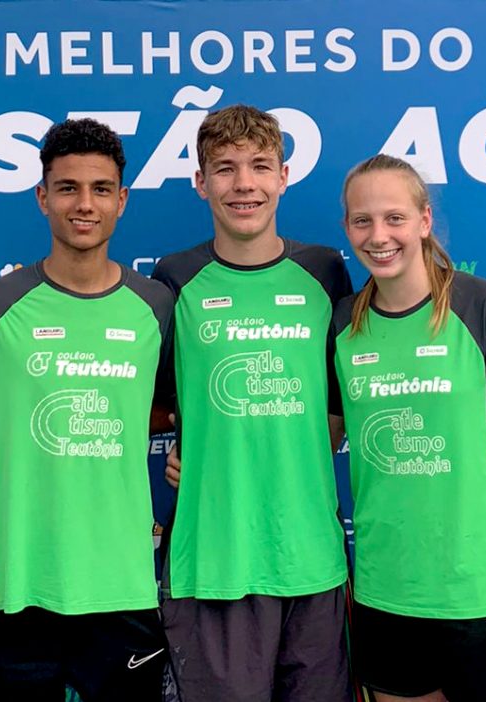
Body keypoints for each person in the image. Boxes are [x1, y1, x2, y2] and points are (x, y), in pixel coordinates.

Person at [0, 118, 173, 701]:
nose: (84, 204)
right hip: (14, 587)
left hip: (122, 588)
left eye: (101, 189)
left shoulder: (156, 306)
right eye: (68, 188)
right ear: (42, 197)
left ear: (122, 200)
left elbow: (171, 413)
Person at [330, 155, 486, 702]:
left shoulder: (481, 304)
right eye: (362, 221)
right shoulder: (341, 323)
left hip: (482, 597)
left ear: (424, 220)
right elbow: (315, 440)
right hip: (385, 595)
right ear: (347, 228)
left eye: (395, 218)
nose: (378, 236)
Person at [152, 104, 352, 702]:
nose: (244, 184)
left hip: (311, 558)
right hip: (215, 562)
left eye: (261, 166)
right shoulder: (174, 278)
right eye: (225, 168)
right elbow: (145, 401)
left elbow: (346, 400)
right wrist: (196, 444)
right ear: (200, 182)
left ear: (284, 177)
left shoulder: (324, 271)